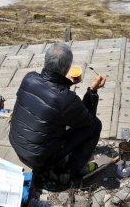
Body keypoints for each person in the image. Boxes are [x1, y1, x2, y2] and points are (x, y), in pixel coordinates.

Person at [9, 42, 106, 178]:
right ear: (67, 69)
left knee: (58, 116)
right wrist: (92, 92)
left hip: (17, 145)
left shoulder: (29, 78)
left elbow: (49, 98)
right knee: (95, 125)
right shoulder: (66, 99)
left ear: (46, 61)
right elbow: (87, 121)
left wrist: (65, 84)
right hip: (40, 159)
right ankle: (70, 170)